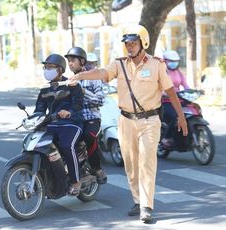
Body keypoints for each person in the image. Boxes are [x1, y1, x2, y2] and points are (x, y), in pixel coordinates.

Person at [69, 24, 188, 223]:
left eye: (133, 43)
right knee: (131, 165)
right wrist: (80, 75)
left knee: (147, 162)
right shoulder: (119, 64)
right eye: (127, 43)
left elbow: (170, 91)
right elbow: (101, 72)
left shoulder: (156, 65)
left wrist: (181, 116)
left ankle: (146, 206)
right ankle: (137, 199)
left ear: (144, 43)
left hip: (149, 120)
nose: (129, 47)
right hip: (125, 121)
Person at [34, 53, 84, 196]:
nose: (47, 70)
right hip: (52, 124)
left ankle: (75, 181)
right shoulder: (45, 89)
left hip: (72, 123)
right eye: (46, 67)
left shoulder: (72, 84)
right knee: (40, 147)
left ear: (61, 70)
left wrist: (68, 112)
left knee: (66, 146)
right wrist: (34, 118)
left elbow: (78, 105)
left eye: (51, 67)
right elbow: (39, 109)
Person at [65, 47, 107, 184]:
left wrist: (83, 91)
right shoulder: (68, 80)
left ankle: (97, 168)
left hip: (91, 118)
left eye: (73, 60)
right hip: (74, 120)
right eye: (68, 61)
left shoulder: (93, 78)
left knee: (89, 136)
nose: (70, 63)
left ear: (82, 61)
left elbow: (100, 100)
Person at [161, 50, 190, 147]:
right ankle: (166, 137)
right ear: (165, 61)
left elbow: (185, 85)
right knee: (177, 116)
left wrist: (191, 91)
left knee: (191, 112)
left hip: (179, 99)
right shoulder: (162, 72)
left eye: (176, 61)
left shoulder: (179, 73)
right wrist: (163, 92)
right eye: (171, 61)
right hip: (166, 101)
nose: (174, 63)